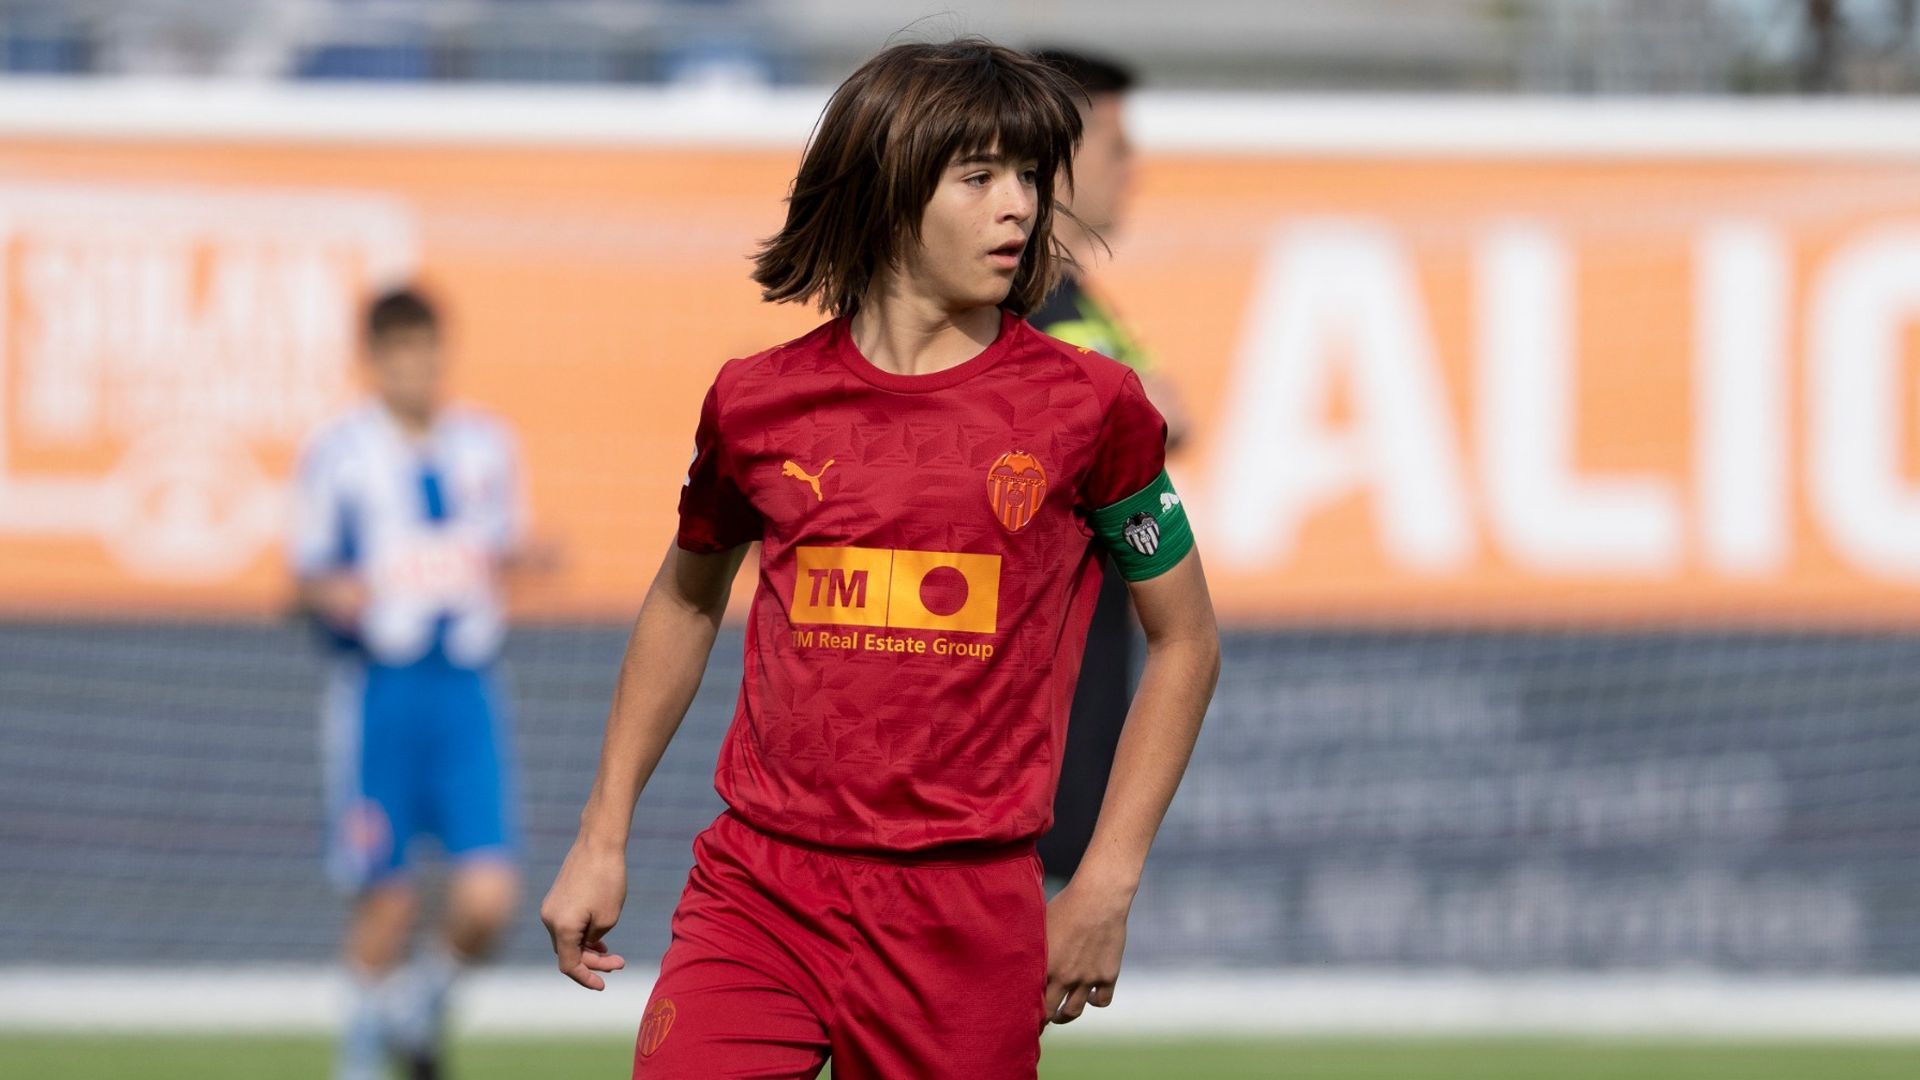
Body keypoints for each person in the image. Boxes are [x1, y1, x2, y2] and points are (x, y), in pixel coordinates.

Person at [540, 38, 1220, 1080]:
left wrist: (1105, 881)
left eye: (1030, 175)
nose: (1021, 206)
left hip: (965, 915)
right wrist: (603, 831)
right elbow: (684, 600)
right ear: (892, 190)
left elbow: (1187, 642)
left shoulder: (1092, 408)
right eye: (980, 176)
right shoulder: (757, 401)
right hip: (760, 893)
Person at [291, 288, 527, 1080]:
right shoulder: (339, 454)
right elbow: (307, 575)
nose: (415, 370)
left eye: (426, 352)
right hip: (381, 695)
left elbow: (500, 550)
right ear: (374, 361)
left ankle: (418, 1008)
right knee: (386, 899)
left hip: (466, 693)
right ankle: (359, 1060)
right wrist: (334, 593)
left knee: (489, 898)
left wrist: (524, 561)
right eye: (398, 355)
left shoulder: (486, 445)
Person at [1028, 47, 1193, 888]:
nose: (1133, 171)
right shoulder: (1013, 307)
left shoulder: (1079, 300)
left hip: (1082, 669)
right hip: (1021, 697)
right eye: (1116, 148)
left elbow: (1169, 413)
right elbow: (1156, 412)